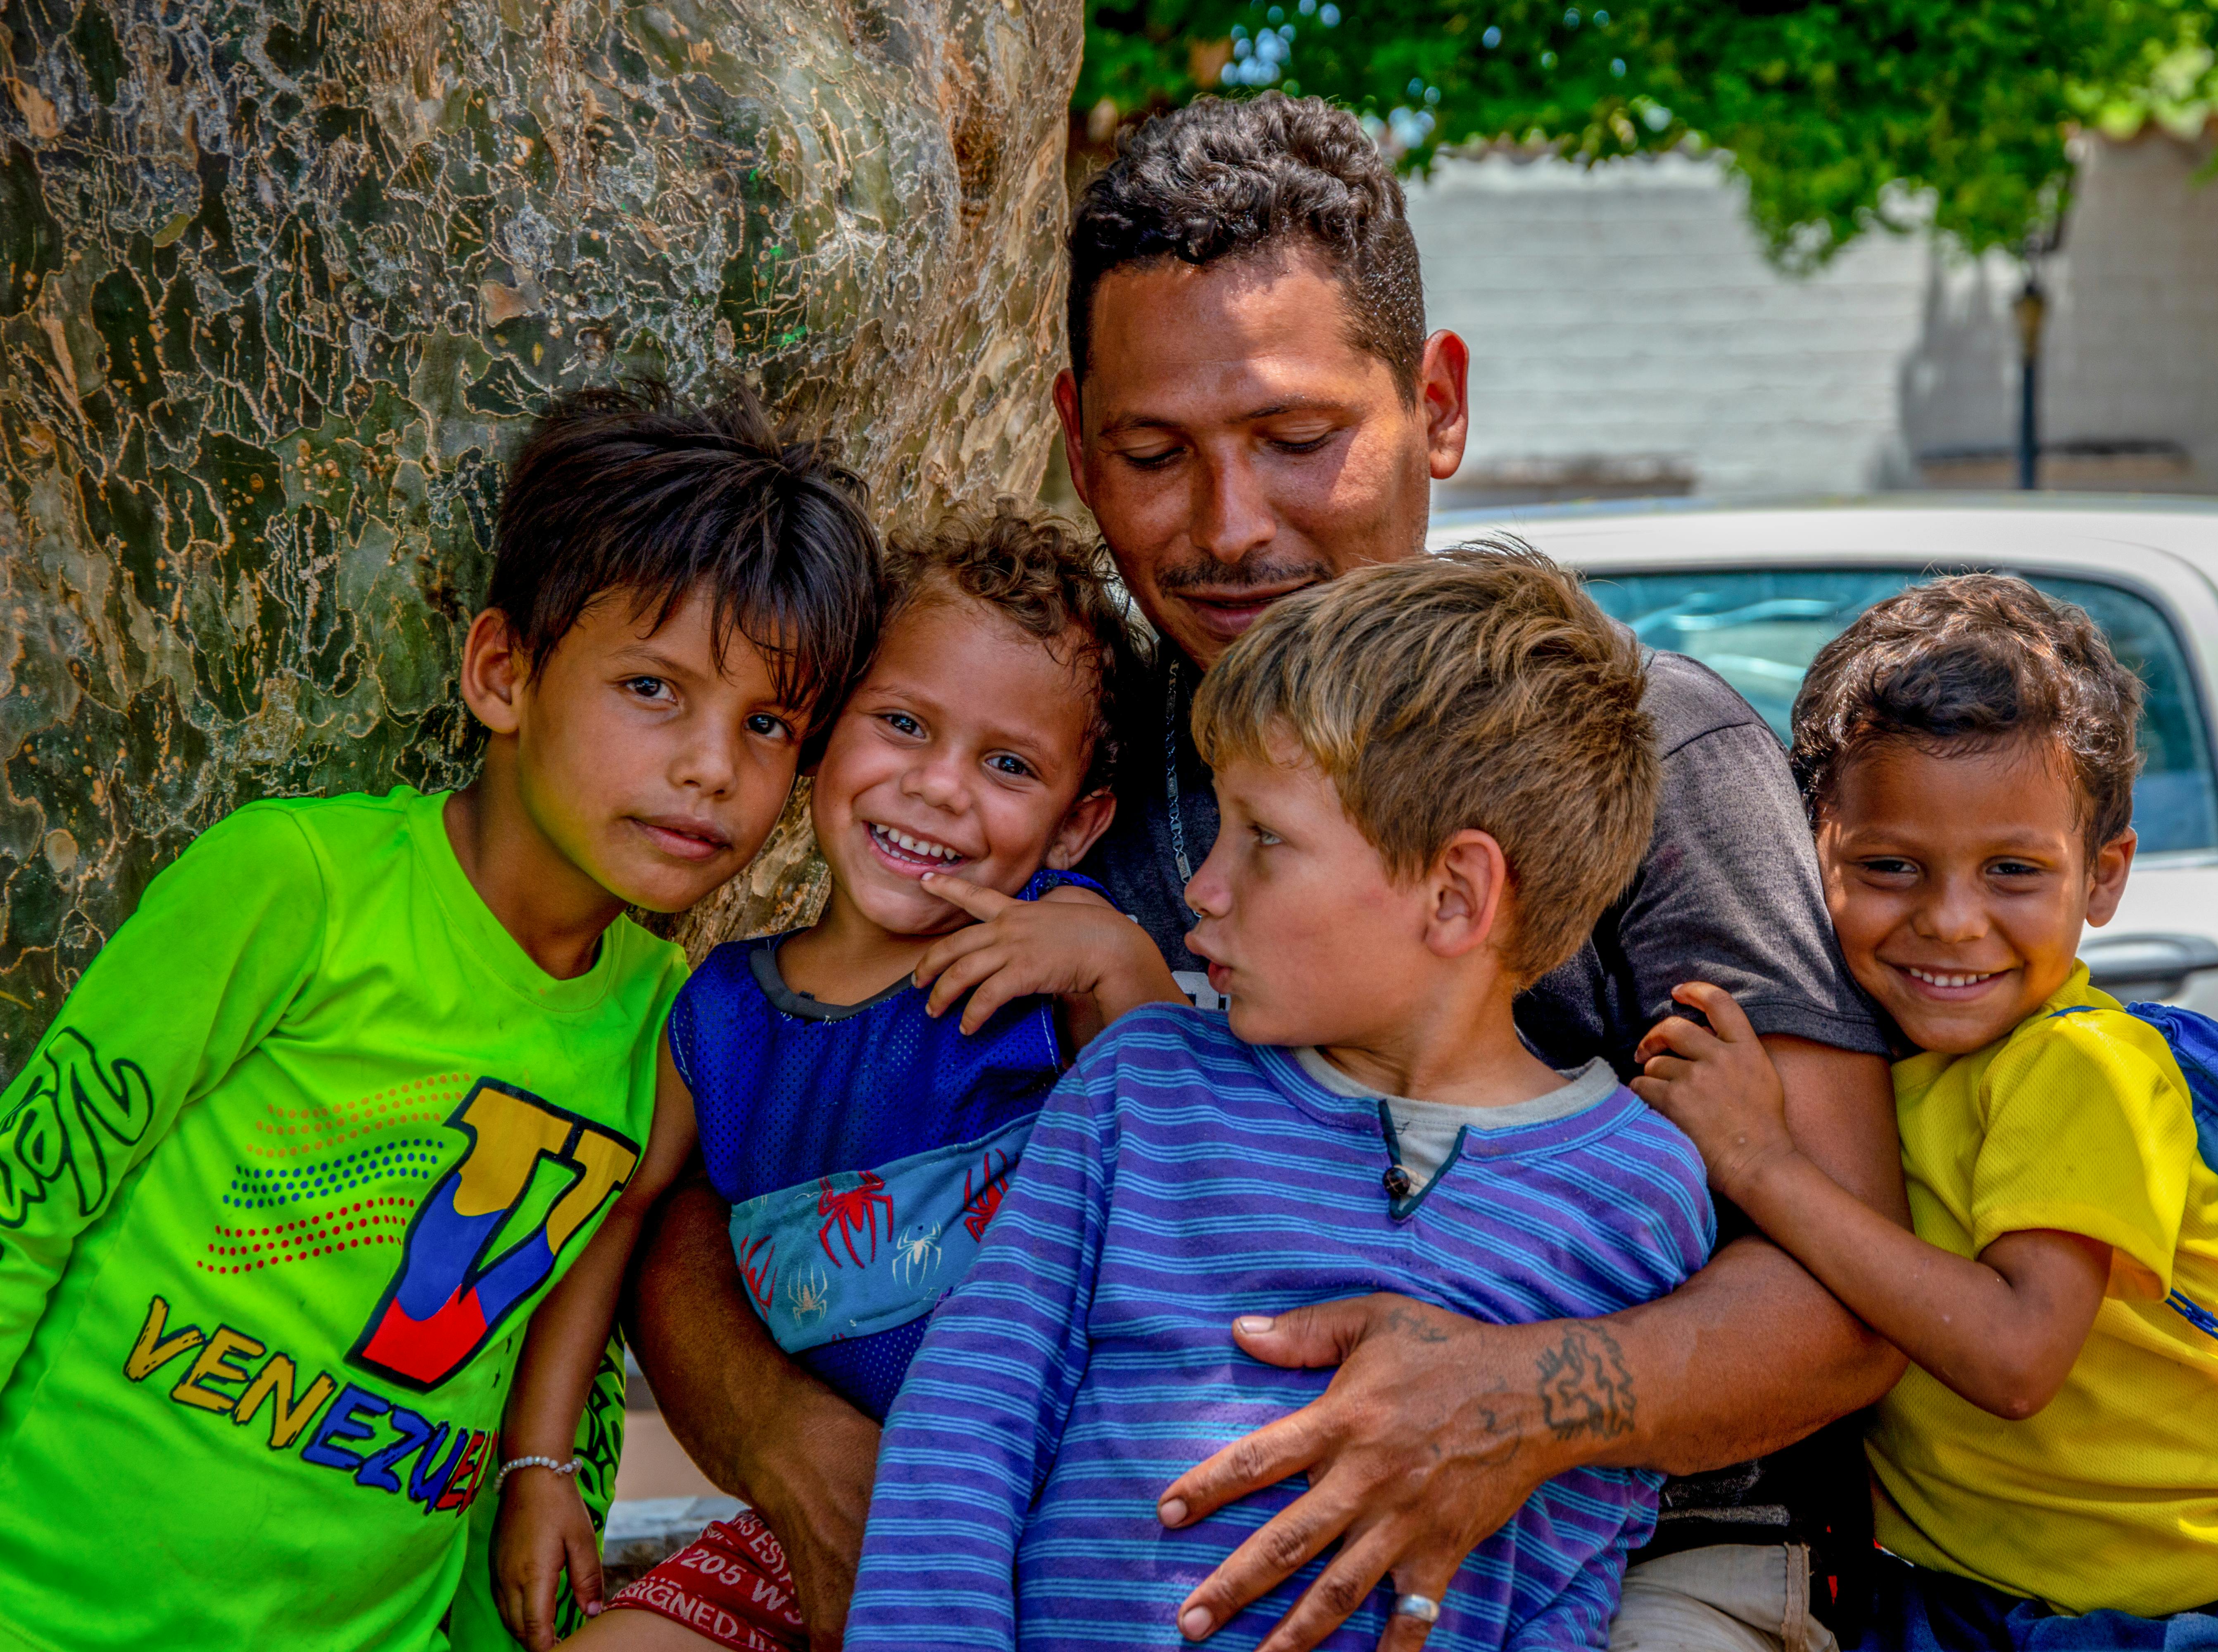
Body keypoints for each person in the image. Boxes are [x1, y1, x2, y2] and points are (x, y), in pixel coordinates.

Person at [628, 93, 1906, 1652]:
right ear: (1073, 444)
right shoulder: (1043, 757)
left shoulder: (1638, 751)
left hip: (1636, 1565)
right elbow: (729, 1134)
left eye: (1299, 441)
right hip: (1071, 1546)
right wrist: (801, 1452)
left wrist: (1512, 1405)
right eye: (1153, 454)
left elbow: (1852, 1299)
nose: (1232, 527)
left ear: (1435, 405)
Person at [0, 385, 880, 1651]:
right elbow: (30, 1205)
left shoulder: (668, 1026)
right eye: (652, 689)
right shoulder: (298, 888)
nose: (713, 769)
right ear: (502, 672)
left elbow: (550, 1362)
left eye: (769, 725)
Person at [844, 543, 1716, 1651]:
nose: (1203, 889)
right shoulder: (1141, 1085)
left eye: (1264, 840)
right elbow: (975, 1409)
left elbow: (1579, 1561)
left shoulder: (1634, 1192)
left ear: (1455, 897)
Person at [1642, 574, 2218, 1650]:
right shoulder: (1862, 1072)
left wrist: (1764, 1165)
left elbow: (2013, 1358)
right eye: (1891, 867)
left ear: (2105, 878)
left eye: (2012, 871)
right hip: (1976, 1598)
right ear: (1807, 854)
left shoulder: (2081, 1064)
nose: (1952, 921)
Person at [503, 509, 1183, 1652]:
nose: (937, 788)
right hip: (822, 1520)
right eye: (903, 724)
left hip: (1068, 1520)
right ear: (823, 737)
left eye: (1008, 765)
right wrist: (539, 1462)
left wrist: (1116, 961)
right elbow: (611, 1221)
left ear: (1078, 825)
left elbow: (1189, 1156)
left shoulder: (1049, 980)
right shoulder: (717, 1016)